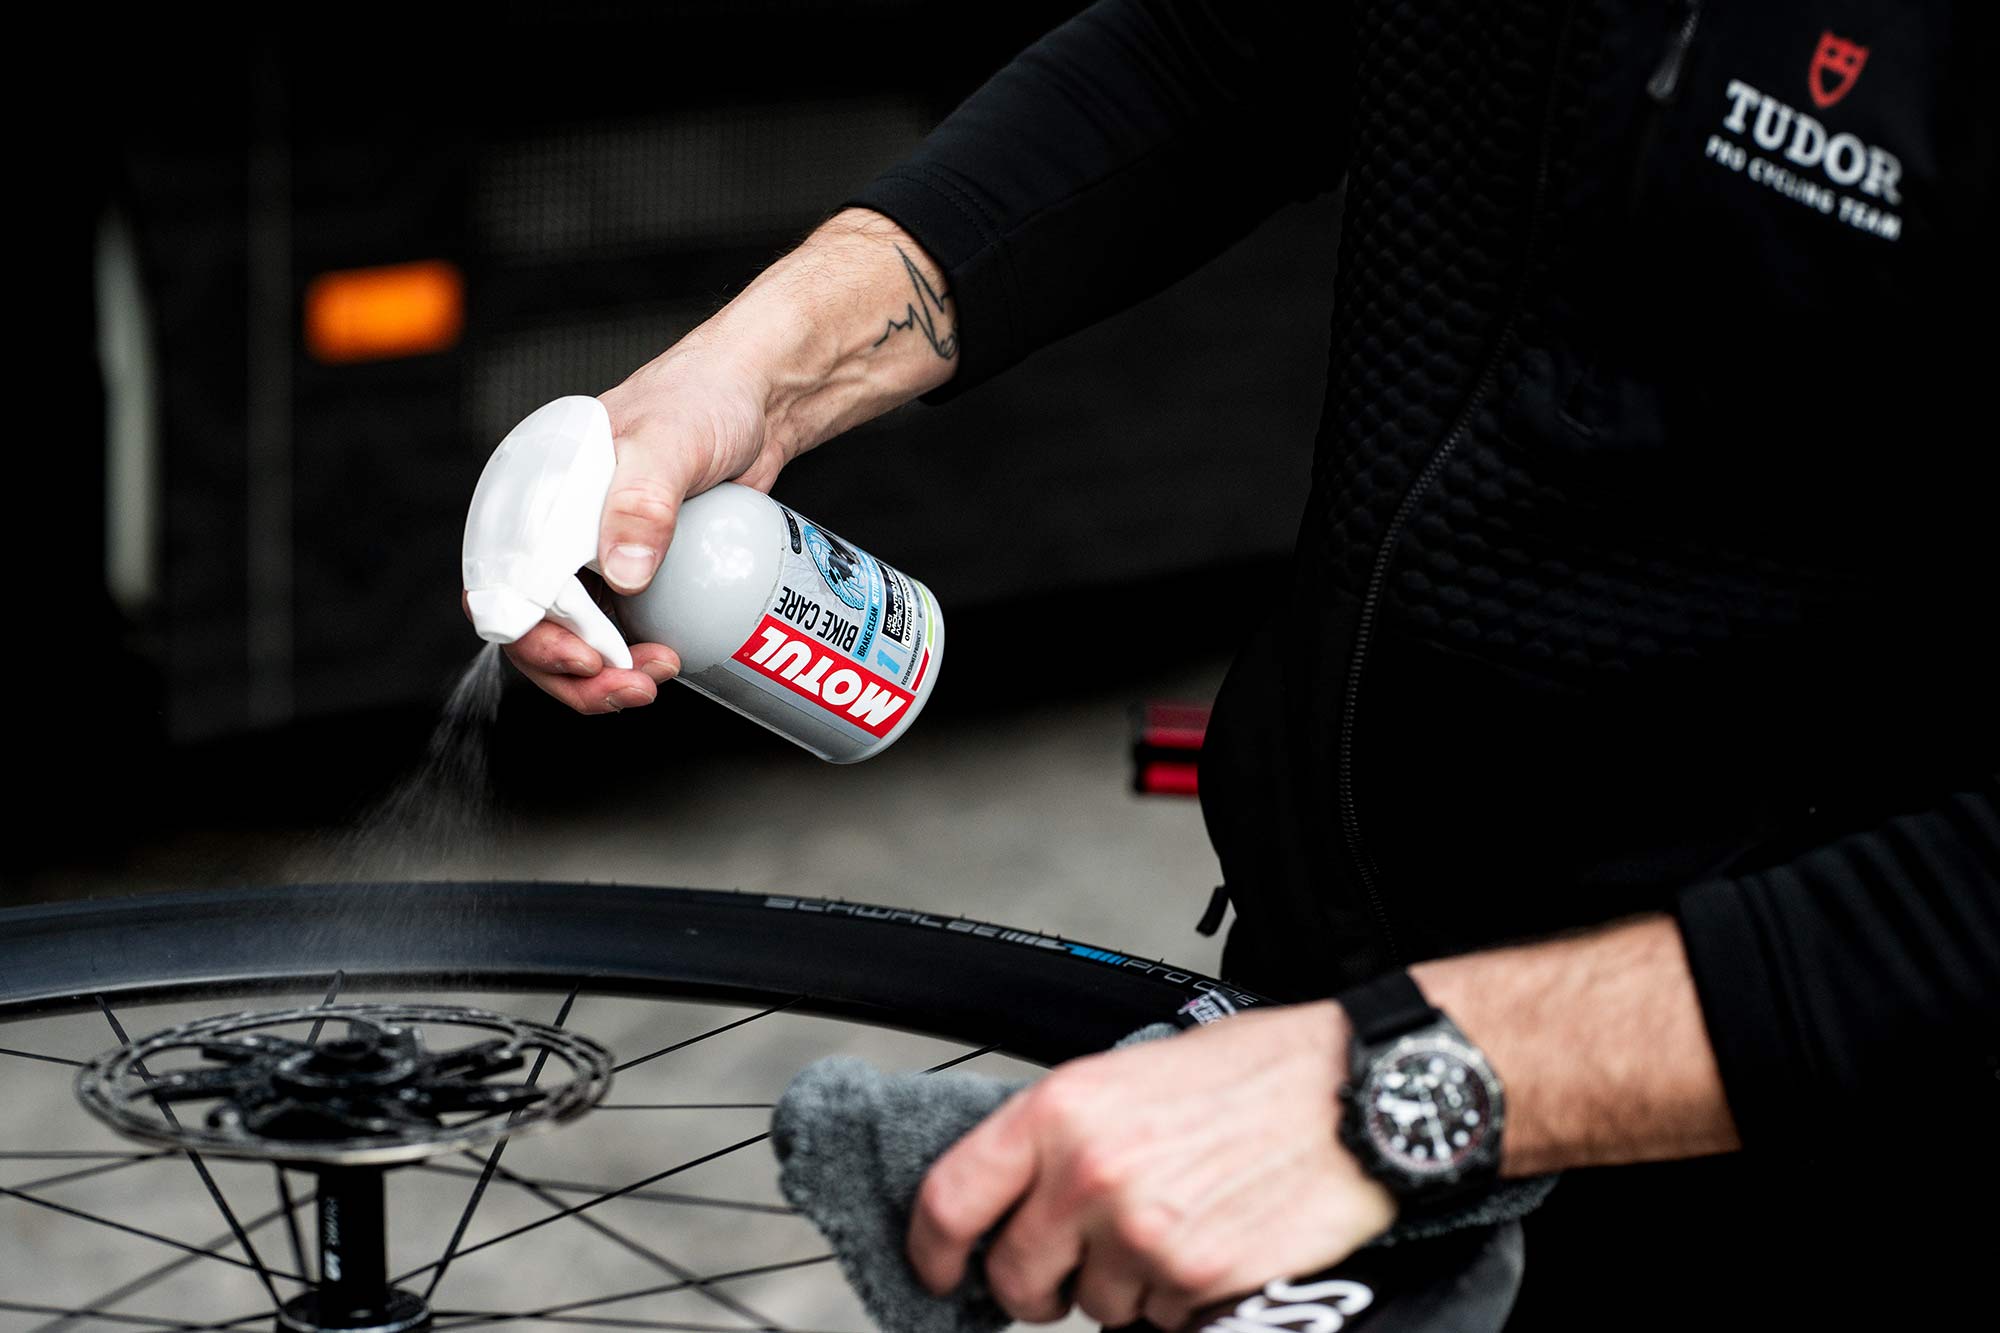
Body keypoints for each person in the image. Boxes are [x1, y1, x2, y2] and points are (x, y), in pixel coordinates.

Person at [480, 2, 1997, 1327]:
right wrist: (746, 375)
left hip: (1809, 1135)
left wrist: (1400, 1092)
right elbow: (1224, 49)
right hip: (1331, 1027)